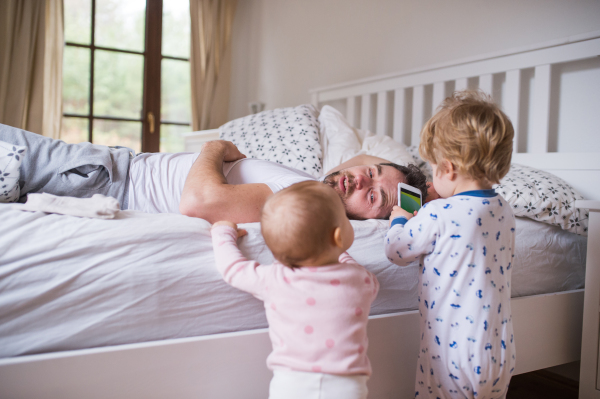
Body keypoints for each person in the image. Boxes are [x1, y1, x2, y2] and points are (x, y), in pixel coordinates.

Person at [0, 123, 430, 223]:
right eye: (370, 171)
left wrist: (215, 148)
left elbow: (198, 202)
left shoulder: (303, 200)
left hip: (105, 178)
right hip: (109, 168)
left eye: (372, 196)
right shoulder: (312, 181)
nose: (359, 180)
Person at [384, 90, 516, 398]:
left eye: (432, 168)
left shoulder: (437, 212)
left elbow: (397, 250)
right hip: (499, 346)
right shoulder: (504, 210)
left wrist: (400, 219)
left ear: (448, 168)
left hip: (452, 349)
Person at [210, 180, 379, 399]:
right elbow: (362, 277)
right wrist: (339, 254)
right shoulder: (360, 280)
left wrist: (223, 232)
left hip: (290, 384)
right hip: (347, 387)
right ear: (338, 237)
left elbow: (232, 269)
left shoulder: (275, 279)